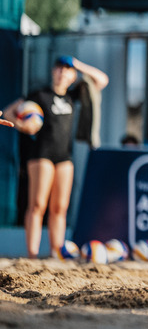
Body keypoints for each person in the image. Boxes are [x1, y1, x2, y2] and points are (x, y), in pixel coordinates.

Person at [0, 55, 109, 259]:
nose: (62, 72)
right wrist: (24, 126)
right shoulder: (39, 94)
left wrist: (77, 64)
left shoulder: (73, 95)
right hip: (41, 154)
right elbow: (7, 112)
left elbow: (102, 80)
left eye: (67, 69)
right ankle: (32, 254)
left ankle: (55, 252)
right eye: (59, 68)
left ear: (72, 75)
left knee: (60, 207)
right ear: (53, 71)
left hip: (64, 155)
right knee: (37, 205)